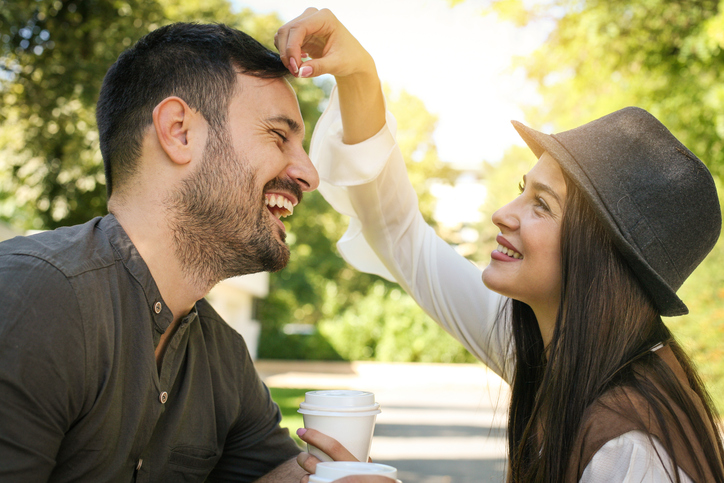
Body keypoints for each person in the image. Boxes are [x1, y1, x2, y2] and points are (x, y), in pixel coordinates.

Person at [274, 8, 724, 483]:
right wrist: (359, 73)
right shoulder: (555, 345)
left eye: (542, 205)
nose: (503, 213)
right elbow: (397, 234)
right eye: (522, 188)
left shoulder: (631, 448)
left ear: (601, 257)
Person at [0, 22, 320, 482]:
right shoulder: (34, 299)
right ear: (178, 132)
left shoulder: (222, 356)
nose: (309, 174)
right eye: (278, 136)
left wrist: (326, 474)